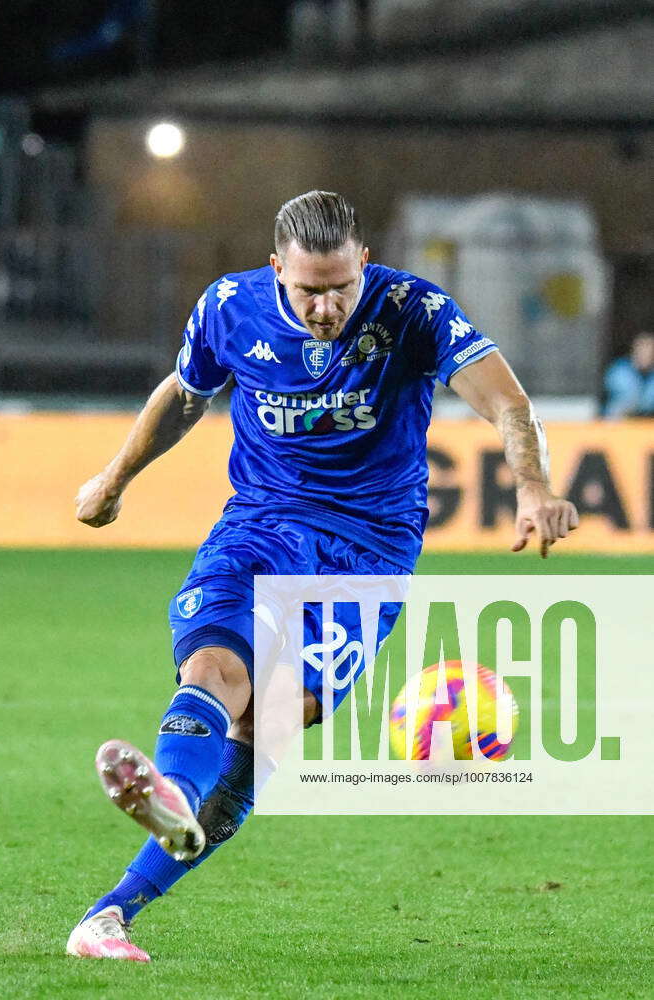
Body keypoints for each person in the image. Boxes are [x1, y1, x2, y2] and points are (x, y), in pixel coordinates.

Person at [66, 190, 578, 962]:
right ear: (278, 269)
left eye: (341, 286)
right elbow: (185, 394)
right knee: (212, 666)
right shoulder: (229, 308)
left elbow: (505, 401)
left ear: (363, 263)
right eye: (309, 289)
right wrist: (114, 478)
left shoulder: (411, 309)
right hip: (261, 522)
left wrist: (533, 486)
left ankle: (109, 914)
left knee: (266, 730)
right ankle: (168, 795)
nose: (327, 304)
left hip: (368, 549)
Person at [603, 330, 654, 418]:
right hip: (619, 421)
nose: (645, 354)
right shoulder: (619, 370)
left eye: (649, 351)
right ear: (634, 350)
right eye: (642, 349)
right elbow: (628, 398)